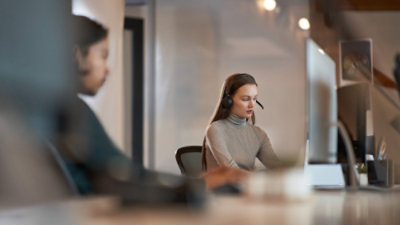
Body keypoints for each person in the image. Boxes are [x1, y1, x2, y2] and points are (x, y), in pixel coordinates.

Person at [53, 15, 247, 202]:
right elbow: (128, 177)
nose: (107, 69)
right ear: (77, 53)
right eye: (103, 55)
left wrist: (198, 181)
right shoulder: (72, 111)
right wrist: (198, 184)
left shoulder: (50, 110)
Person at [202, 73, 282, 172]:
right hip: (222, 187)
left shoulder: (259, 134)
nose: (252, 104)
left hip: (247, 186)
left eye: (255, 99)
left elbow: (278, 168)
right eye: (245, 99)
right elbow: (232, 171)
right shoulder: (215, 129)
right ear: (228, 100)